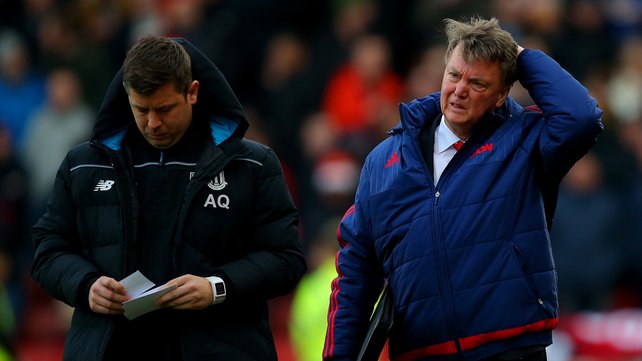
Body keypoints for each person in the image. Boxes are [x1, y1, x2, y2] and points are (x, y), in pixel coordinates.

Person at [323, 17, 603, 361]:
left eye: (478, 83)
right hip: (421, 352)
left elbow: (581, 118)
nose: (459, 90)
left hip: (510, 348)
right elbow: (356, 275)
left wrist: (518, 55)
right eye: (454, 75)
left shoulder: (524, 141)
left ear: (502, 94)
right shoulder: (382, 162)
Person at [30, 35, 307, 361]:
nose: (153, 123)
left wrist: (217, 287)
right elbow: (48, 250)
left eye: (164, 109)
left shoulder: (253, 164)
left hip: (221, 346)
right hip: (110, 347)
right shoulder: (83, 164)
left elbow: (286, 259)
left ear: (192, 92)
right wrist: (86, 285)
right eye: (140, 109)